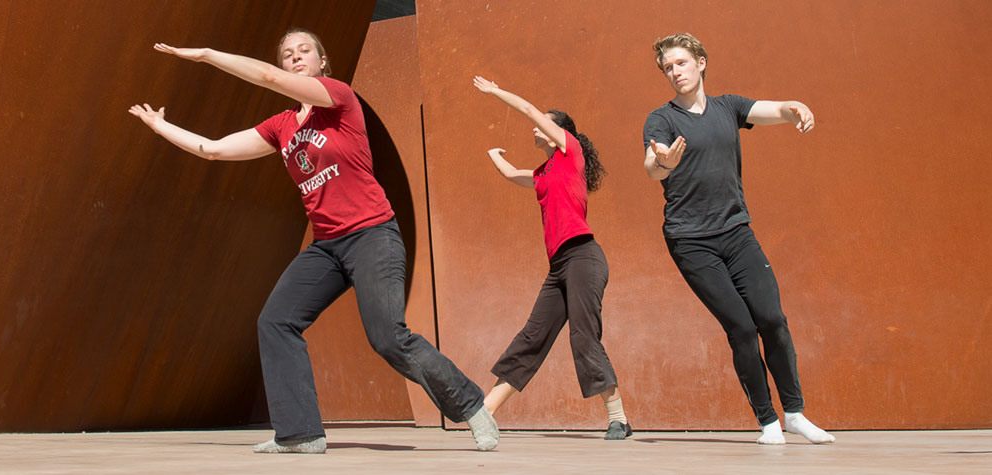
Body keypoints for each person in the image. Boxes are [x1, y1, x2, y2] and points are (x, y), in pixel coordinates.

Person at [128, 29, 499, 453]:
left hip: (372, 233)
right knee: (276, 321)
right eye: (287, 54)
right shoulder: (282, 127)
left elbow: (268, 79)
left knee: (388, 337)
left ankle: (472, 407)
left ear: (322, 63)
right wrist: (160, 126)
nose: (295, 57)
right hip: (328, 246)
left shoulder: (339, 99)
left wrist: (208, 54)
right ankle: (300, 433)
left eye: (304, 51)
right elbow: (213, 150)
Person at [642, 33, 834, 445]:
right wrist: (663, 162)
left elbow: (770, 110)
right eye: (668, 68)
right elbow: (652, 164)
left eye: (681, 63)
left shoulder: (729, 107)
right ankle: (768, 422)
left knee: (772, 320)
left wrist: (792, 108)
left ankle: (795, 413)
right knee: (743, 329)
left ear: (701, 62)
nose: (675, 72)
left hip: (736, 233)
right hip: (691, 242)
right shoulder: (661, 119)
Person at [471, 76, 632, 441]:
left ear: (557, 131)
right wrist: (496, 157)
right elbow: (515, 175)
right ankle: (486, 411)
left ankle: (618, 417)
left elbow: (527, 108)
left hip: (584, 256)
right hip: (559, 265)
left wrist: (496, 91)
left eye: (542, 123)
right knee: (533, 335)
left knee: (582, 335)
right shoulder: (545, 172)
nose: (534, 126)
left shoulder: (569, 150)